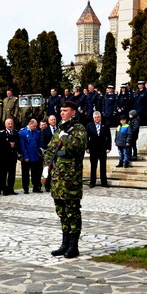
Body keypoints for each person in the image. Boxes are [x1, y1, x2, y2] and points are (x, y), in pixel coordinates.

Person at [43, 101, 87, 259]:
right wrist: (46, 166)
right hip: (58, 179)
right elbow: (50, 150)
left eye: (65, 110)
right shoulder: (60, 129)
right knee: (61, 211)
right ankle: (65, 243)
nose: (62, 113)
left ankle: (73, 246)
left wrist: (66, 138)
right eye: (60, 110)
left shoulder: (78, 129)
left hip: (71, 179)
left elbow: (78, 148)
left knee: (72, 212)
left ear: (73, 112)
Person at [85, 111, 111, 187]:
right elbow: (86, 137)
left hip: (103, 149)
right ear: (93, 118)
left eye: (98, 117)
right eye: (95, 117)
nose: (97, 119)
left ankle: (104, 182)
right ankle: (92, 182)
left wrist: (109, 147)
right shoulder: (89, 126)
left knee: (103, 166)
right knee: (93, 166)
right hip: (93, 149)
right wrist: (87, 147)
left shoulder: (105, 125)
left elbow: (109, 137)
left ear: (100, 117)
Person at [19, 118, 43, 193]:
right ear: (30, 124)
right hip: (27, 156)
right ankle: (26, 188)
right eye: (34, 126)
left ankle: (36, 187)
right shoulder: (22, 132)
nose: (35, 128)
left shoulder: (36, 132)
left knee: (35, 173)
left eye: (36, 126)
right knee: (25, 173)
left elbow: (38, 143)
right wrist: (25, 156)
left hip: (35, 156)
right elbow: (22, 145)